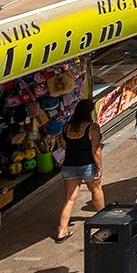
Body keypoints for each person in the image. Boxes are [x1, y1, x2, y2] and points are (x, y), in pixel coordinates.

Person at [53, 98, 104, 242]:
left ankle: (62, 230)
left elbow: (64, 145)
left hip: (69, 166)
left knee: (70, 198)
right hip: (88, 165)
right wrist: (99, 168)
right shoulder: (92, 127)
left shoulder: (66, 126)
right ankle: (104, 222)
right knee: (96, 191)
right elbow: (96, 150)